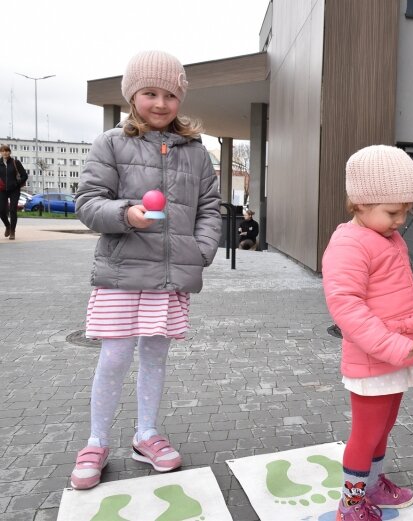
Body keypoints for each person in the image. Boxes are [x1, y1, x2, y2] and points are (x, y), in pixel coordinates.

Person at [70, 50, 222, 490]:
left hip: (169, 277)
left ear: (180, 98)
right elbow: (87, 202)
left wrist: (201, 250)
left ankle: (146, 435)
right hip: (121, 274)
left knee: (155, 357)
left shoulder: (196, 151)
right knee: (115, 357)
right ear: (131, 95)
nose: (160, 103)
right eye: (149, 93)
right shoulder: (110, 143)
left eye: (170, 94)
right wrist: (126, 214)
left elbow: (210, 209)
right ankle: (96, 442)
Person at [322, 145, 413, 521]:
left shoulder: (385, 236)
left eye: (405, 212)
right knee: (365, 435)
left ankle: (372, 485)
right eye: (393, 212)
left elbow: (390, 290)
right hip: (374, 358)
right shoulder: (349, 243)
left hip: (397, 353)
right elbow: (347, 307)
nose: (401, 220)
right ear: (360, 203)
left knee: (383, 429)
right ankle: (350, 506)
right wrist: (390, 343)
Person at [0, 144, 28, 240]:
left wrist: (17, 184)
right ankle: (7, 225)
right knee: (1, 211)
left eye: (7, 150)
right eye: (3, 151)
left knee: (12, 210)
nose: (5, 152)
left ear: (10, 152)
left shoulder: (16, 162)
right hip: (2, 190)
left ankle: (12, 231)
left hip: (14, 190)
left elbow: (25, 175)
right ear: (1, 152)